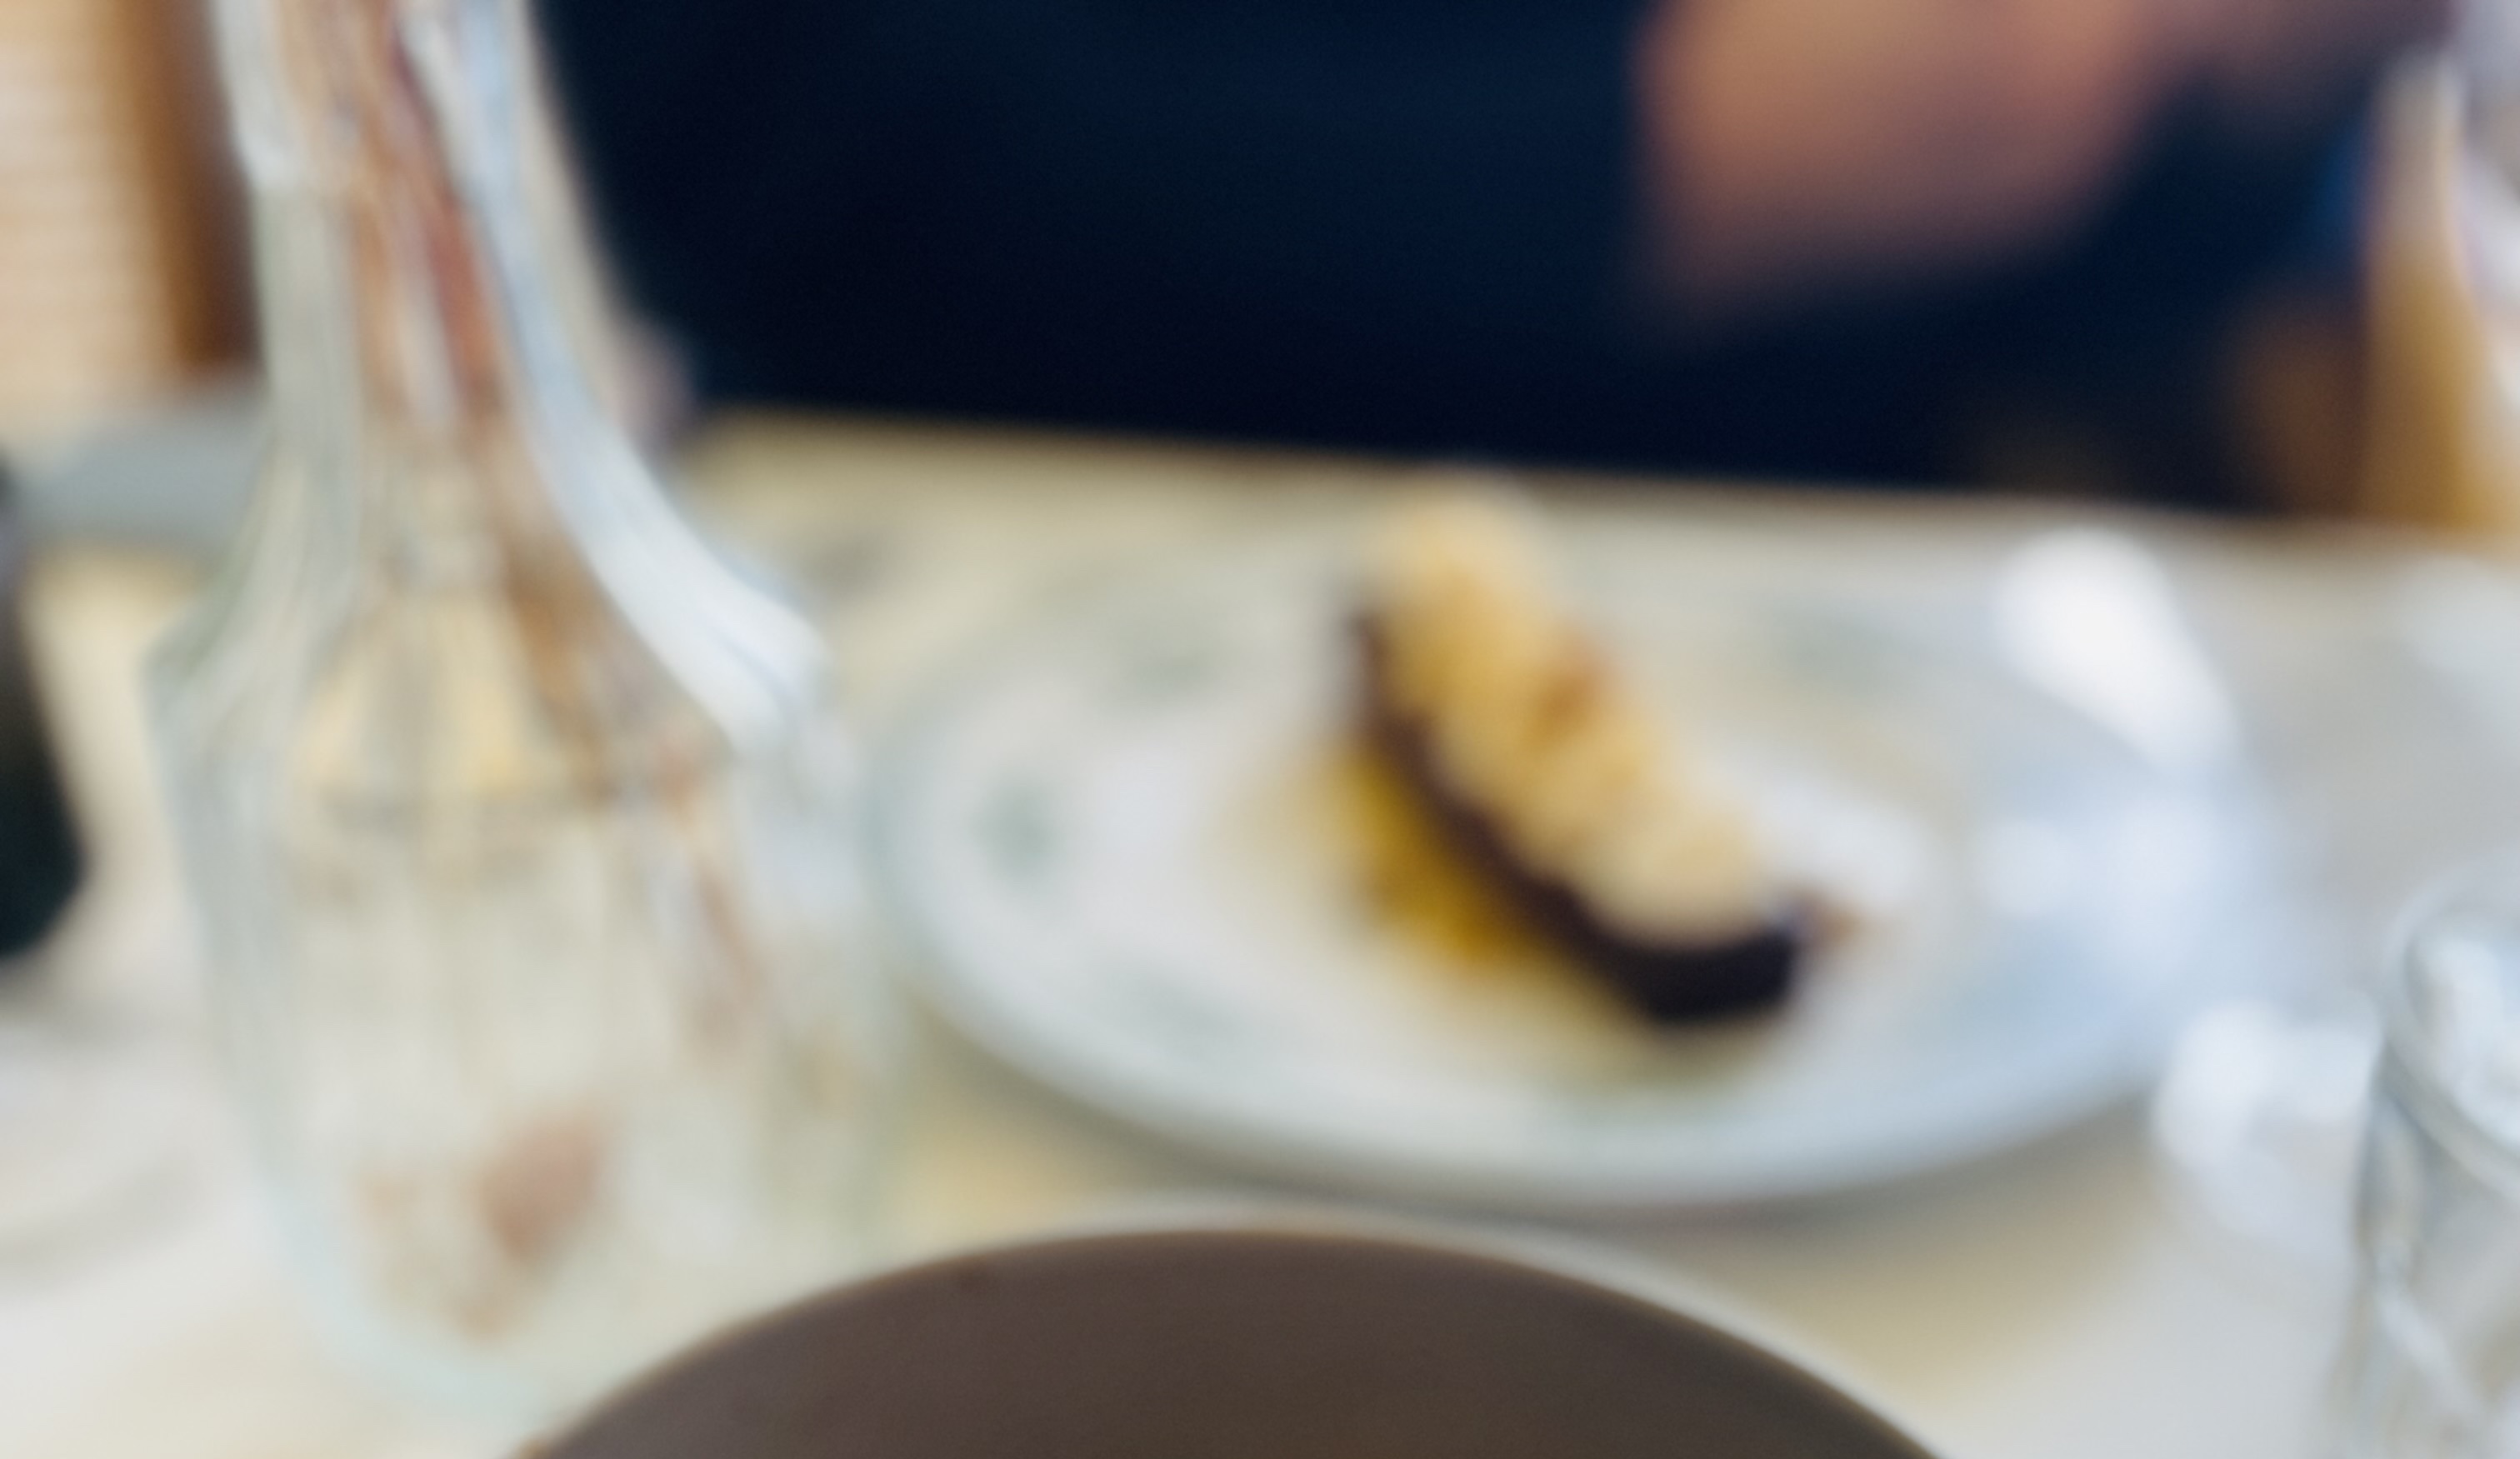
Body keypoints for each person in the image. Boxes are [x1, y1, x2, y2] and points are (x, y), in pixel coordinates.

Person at [536, 0, 2439, 499]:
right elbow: (715, 116)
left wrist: (2235, 90)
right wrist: (1613, 179)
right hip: (971, 540)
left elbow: (2168, 263)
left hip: (1855, 637)